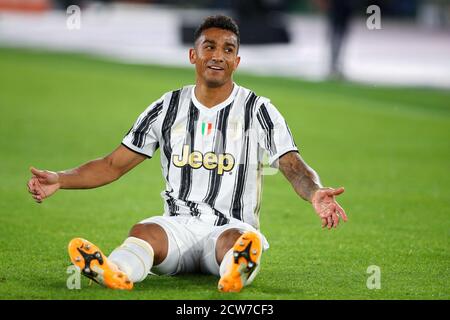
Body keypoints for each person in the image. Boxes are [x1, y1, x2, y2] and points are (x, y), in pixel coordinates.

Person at [26, 15, 347, 292]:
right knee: (143, 233)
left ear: (237, 61)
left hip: (230, 226)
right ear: (193, 55)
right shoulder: (166, 107)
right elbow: (112, 165)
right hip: (176, 227)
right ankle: (115, 271)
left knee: (237, 243)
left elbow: (292, 165)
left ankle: (235, 272)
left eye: (228, 49)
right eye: (209, 47)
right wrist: (60, 179)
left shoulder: (257, 110)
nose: (218, 55)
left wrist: (316, 192)